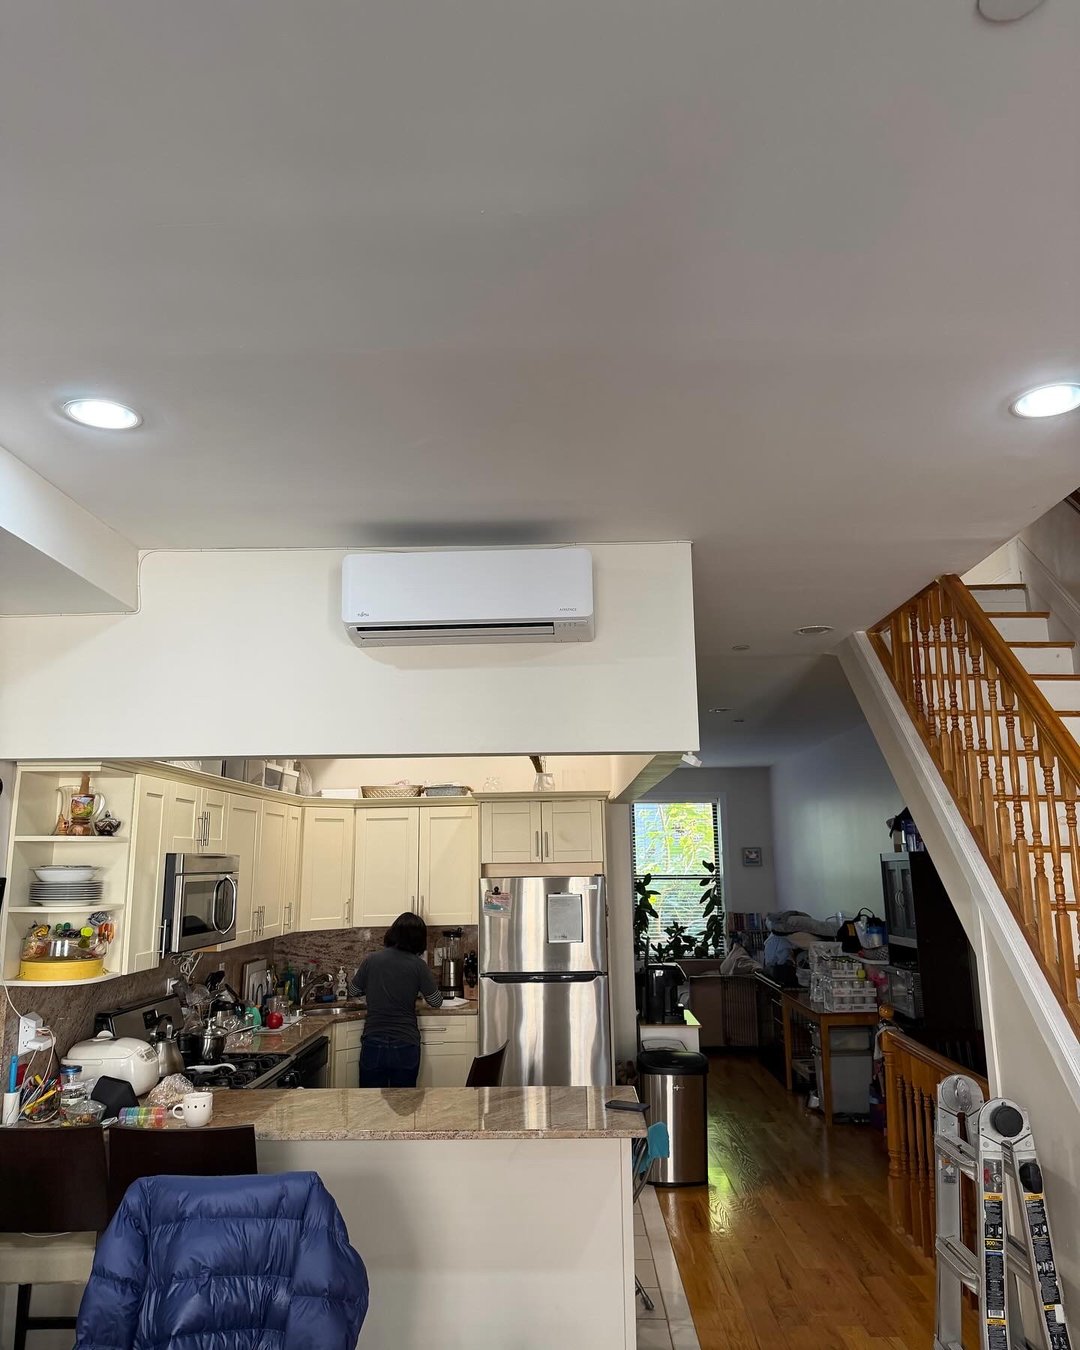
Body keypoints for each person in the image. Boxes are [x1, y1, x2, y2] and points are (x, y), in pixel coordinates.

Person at [349, 912, 443, 1088]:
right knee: (404, 1101)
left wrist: (372, 988)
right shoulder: (418, 965)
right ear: (419, 940)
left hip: (374, 1040)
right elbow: (436, 1001)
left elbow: (353, 990)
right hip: (405, 1042)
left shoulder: (371, 960)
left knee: (370, 1099)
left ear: (393, 933)